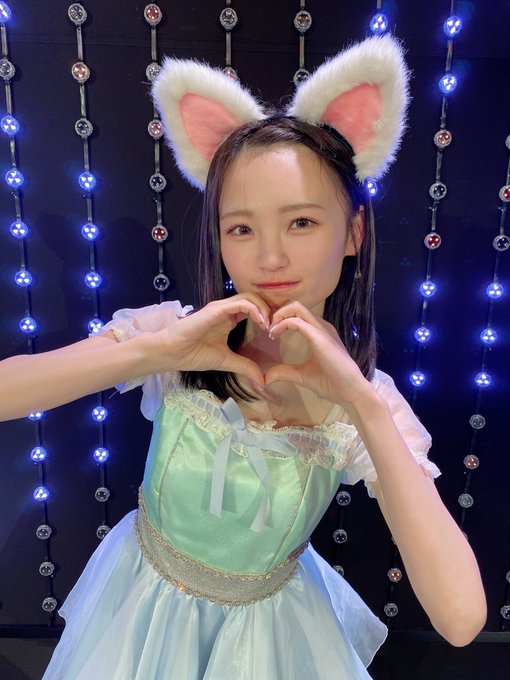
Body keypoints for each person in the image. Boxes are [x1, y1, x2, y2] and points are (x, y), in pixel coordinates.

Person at [1, 36, 485, 679]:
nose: (270, 257)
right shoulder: (174, 335)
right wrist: (158, 349)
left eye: (302, 222)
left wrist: (360, 402)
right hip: (136, 621)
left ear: (354, 233)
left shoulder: (367, 400)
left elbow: (461, 617)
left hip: (270, 645)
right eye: (241, 228)